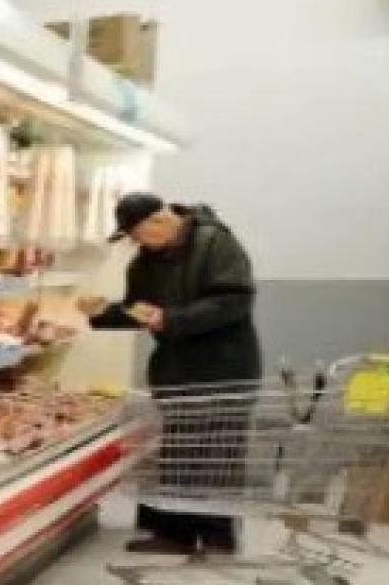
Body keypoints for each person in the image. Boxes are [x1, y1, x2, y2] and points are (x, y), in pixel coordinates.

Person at [79, 194, 263, 554]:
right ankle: (172, 533)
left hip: (223, 366)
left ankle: (216, 534)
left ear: (159, 221)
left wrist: (173, 319)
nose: (135, 242)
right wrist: (101, 314)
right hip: (176, 369)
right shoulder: (146, 262)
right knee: (178, 450)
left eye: (137, 233)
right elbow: (140, 311)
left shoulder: (216, 243)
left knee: (217, 451)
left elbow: (234, 301)